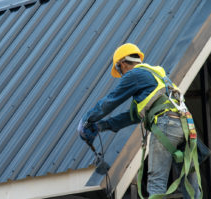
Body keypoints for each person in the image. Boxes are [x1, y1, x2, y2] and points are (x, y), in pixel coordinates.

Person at [77, 43, 200, 199]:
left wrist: (87, 119)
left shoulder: (134, 75)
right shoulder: (157, 75)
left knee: (157, 182)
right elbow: (133, 116)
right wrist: (101, 125)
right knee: (190, 184)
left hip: (165, 126)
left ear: (121, 64)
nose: (121, 75)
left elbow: (110, 101)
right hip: (185, 126)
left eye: (120, 71)